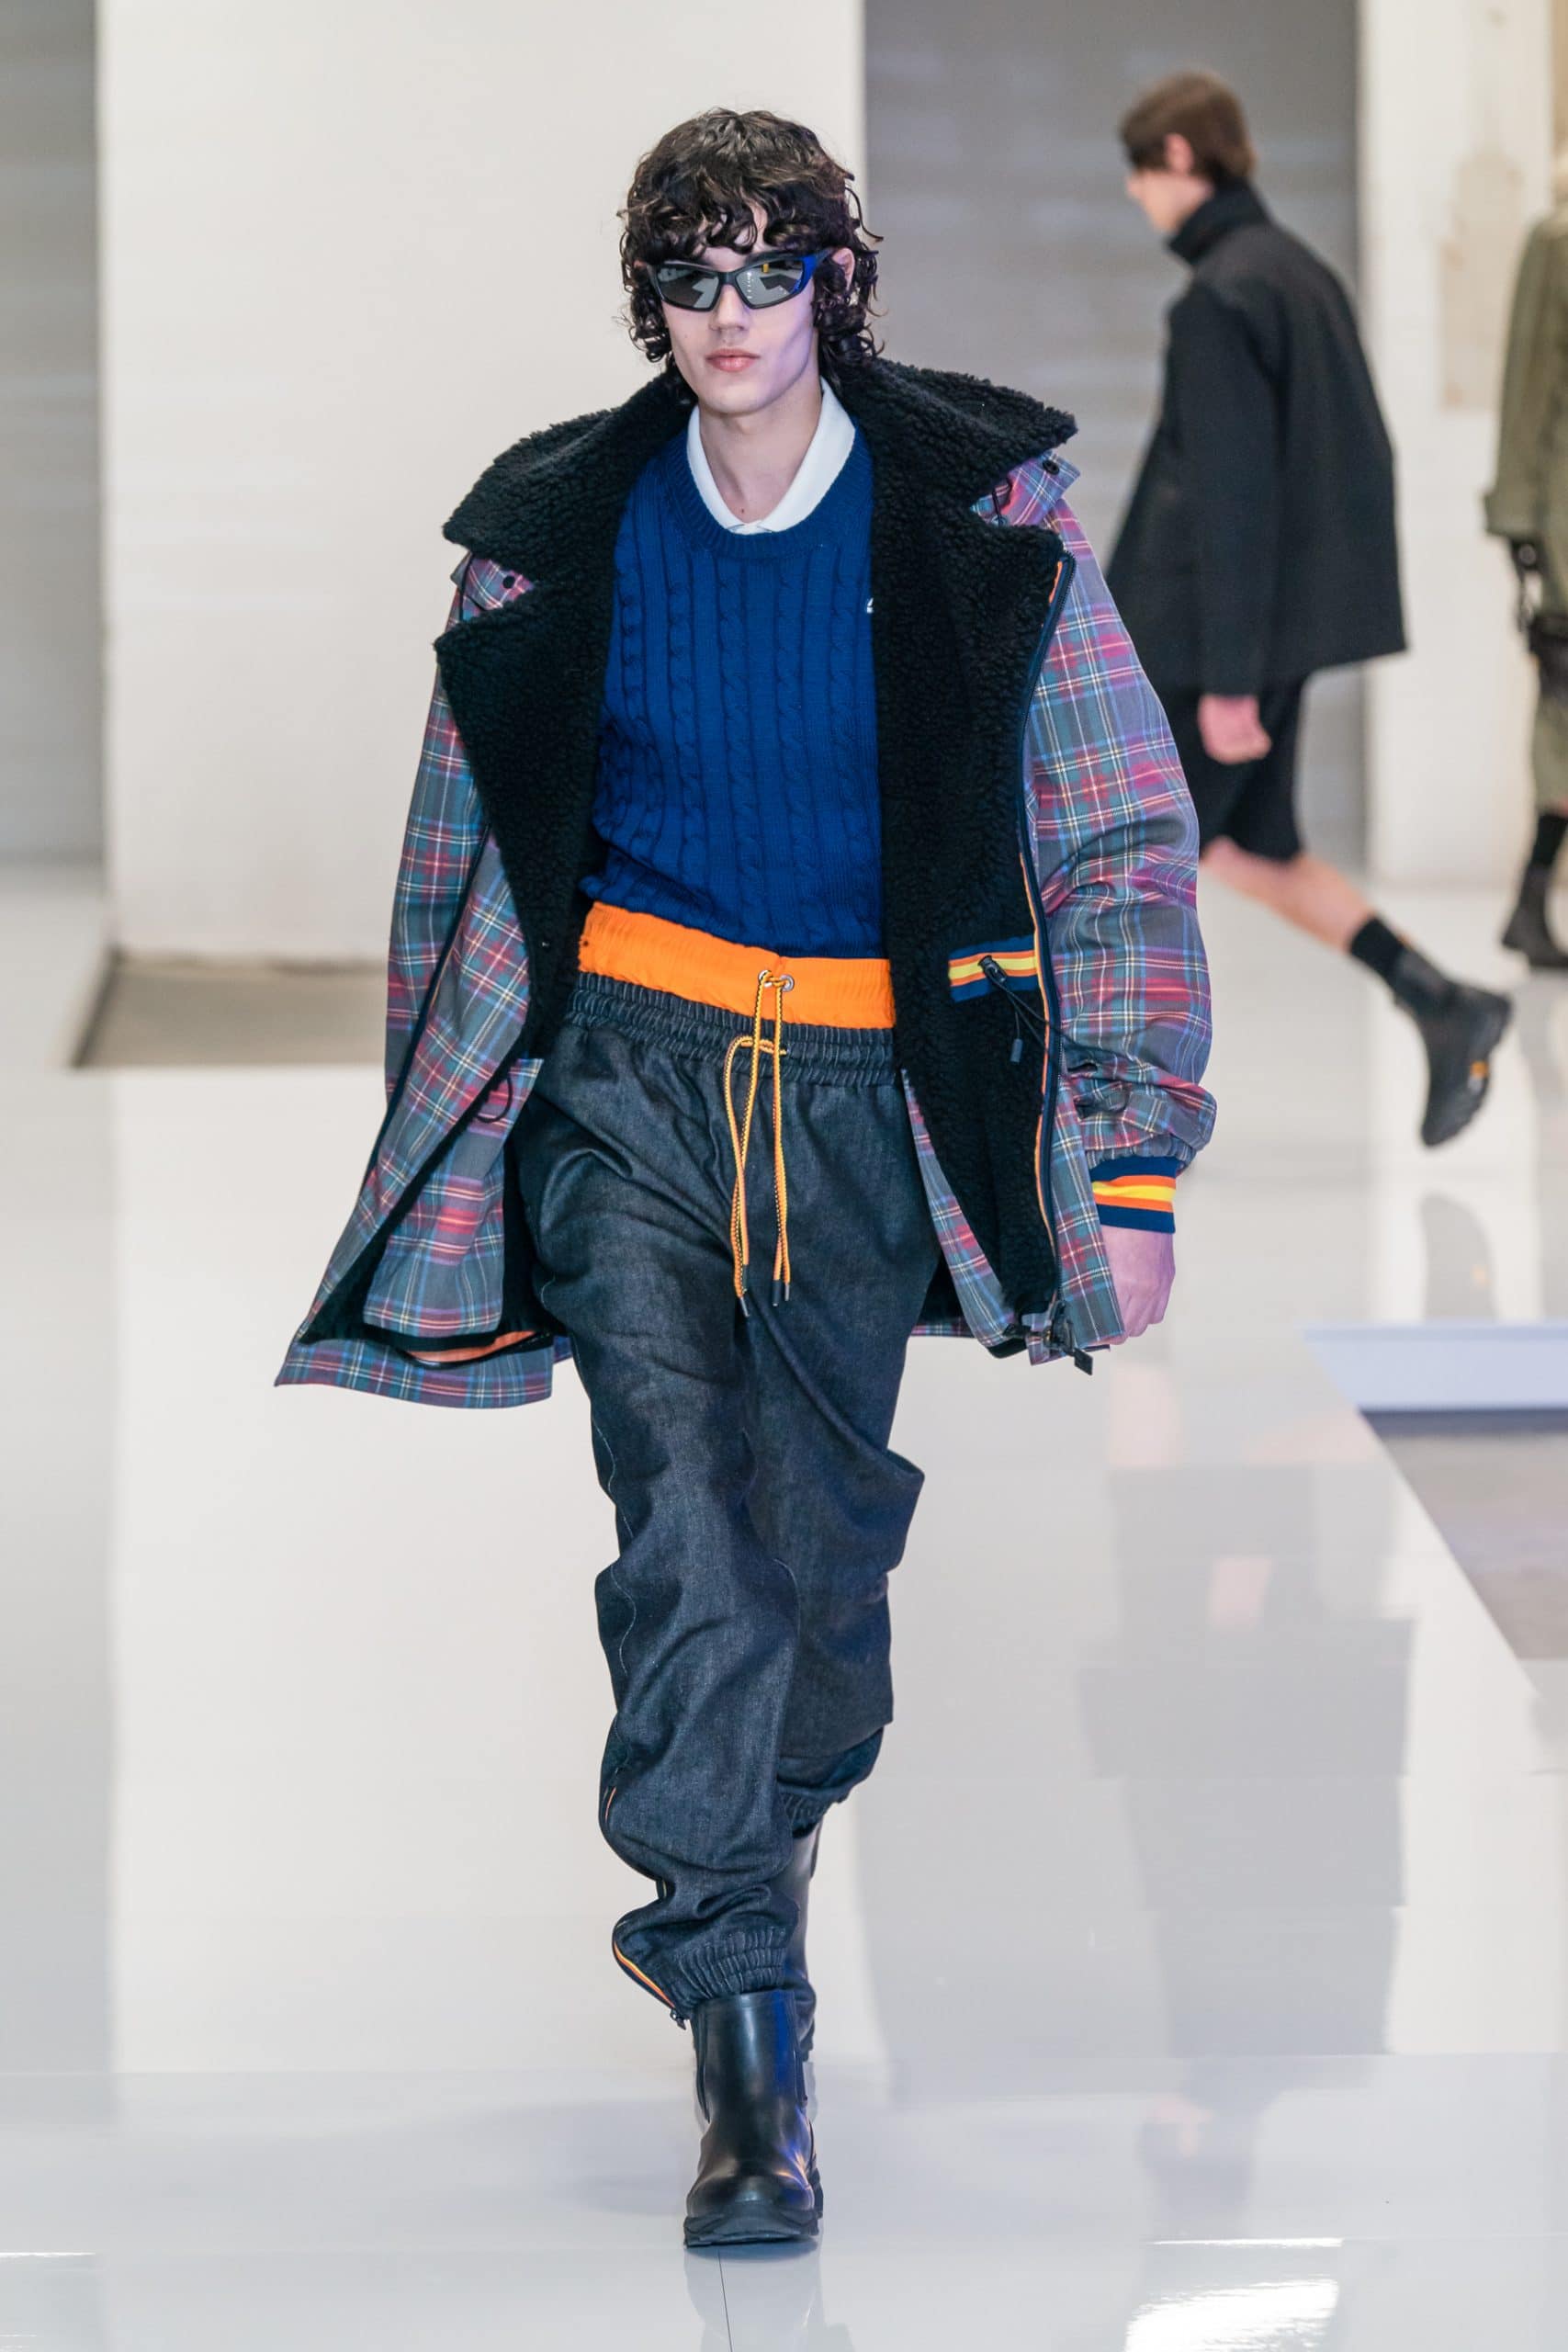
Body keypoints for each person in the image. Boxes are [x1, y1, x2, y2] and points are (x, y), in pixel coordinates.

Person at [278, 107, 1214, 2247]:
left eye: (763, 271)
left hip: (865, 1101)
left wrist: (1131, 1156)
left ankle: (735, 1869)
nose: (726, 315)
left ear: (831, 285)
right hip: (628, 1079)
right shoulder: (556, 529)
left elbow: (1112, 832)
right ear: (652, 301)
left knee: (814, 1568)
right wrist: (461, 1130)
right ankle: (747, 2043)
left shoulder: (974, 520)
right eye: (688, 278)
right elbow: (452, 869)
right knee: (685, 1522)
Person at [1110, 70, 1511, 1145]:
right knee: (1249, 849)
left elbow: (1234, 499)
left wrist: (1232, 679)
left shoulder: (1219, 299)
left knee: (1133, 867)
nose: (1138, 198)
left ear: (1180, 158)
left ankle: (1138, 1112)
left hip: (1205, 647)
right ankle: (1440, 999)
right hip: (1264, 636)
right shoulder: (1294, 271)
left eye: (1141, 174)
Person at [1485, 165, 1568, 970]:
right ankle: (1531, 896)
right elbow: (1529, 379)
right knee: (1563, 699)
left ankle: (1528, 899)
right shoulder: (1558, 240)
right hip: (1564, 507)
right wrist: (1516, 514)